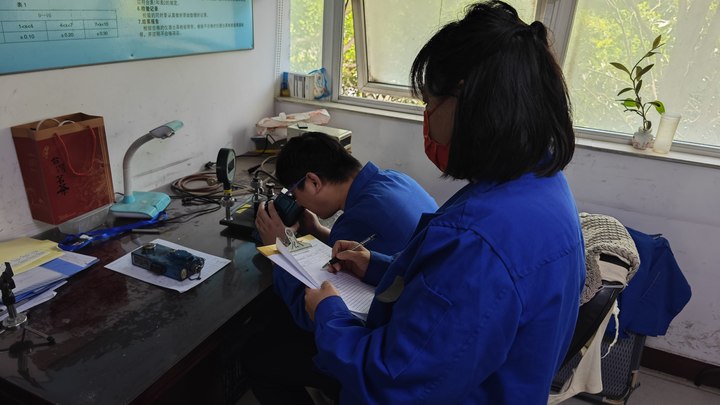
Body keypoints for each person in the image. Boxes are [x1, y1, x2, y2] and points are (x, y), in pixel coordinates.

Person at [302, 1, 586, 404]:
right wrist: (377, 267)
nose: (428, 120)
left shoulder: (479, 242)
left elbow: (391, 381)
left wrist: (328, 314)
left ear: (469, 103)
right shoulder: (540, 185)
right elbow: (457, 300)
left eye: (429, 104)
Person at [243, 131, 438, 403]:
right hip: (419, 330)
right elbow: (354, 251)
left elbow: (309, 313)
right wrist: (318, 231)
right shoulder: (394, 180)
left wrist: (277, 247)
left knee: (259, 357)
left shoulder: (359, 217)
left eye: (296, 195)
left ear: (313, 182)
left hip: (385, 357)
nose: (299, 204)